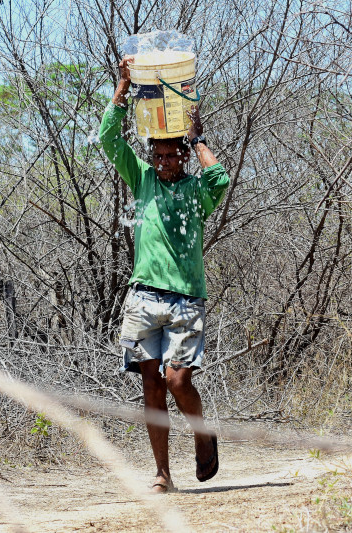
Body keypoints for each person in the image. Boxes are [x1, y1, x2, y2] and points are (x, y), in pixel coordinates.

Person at [99, 57, 228, 493]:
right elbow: (107, 138)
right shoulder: (144, 182)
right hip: (142, 298)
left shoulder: (196, 191)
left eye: (172, 155)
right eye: (158, 154)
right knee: (151, 387)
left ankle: (201, 432)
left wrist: (199, 136)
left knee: (177, 380)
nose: (164, 161)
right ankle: (162, 474)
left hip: (186, 299)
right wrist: (123, 85)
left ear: (182, 156)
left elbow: (219, 177)